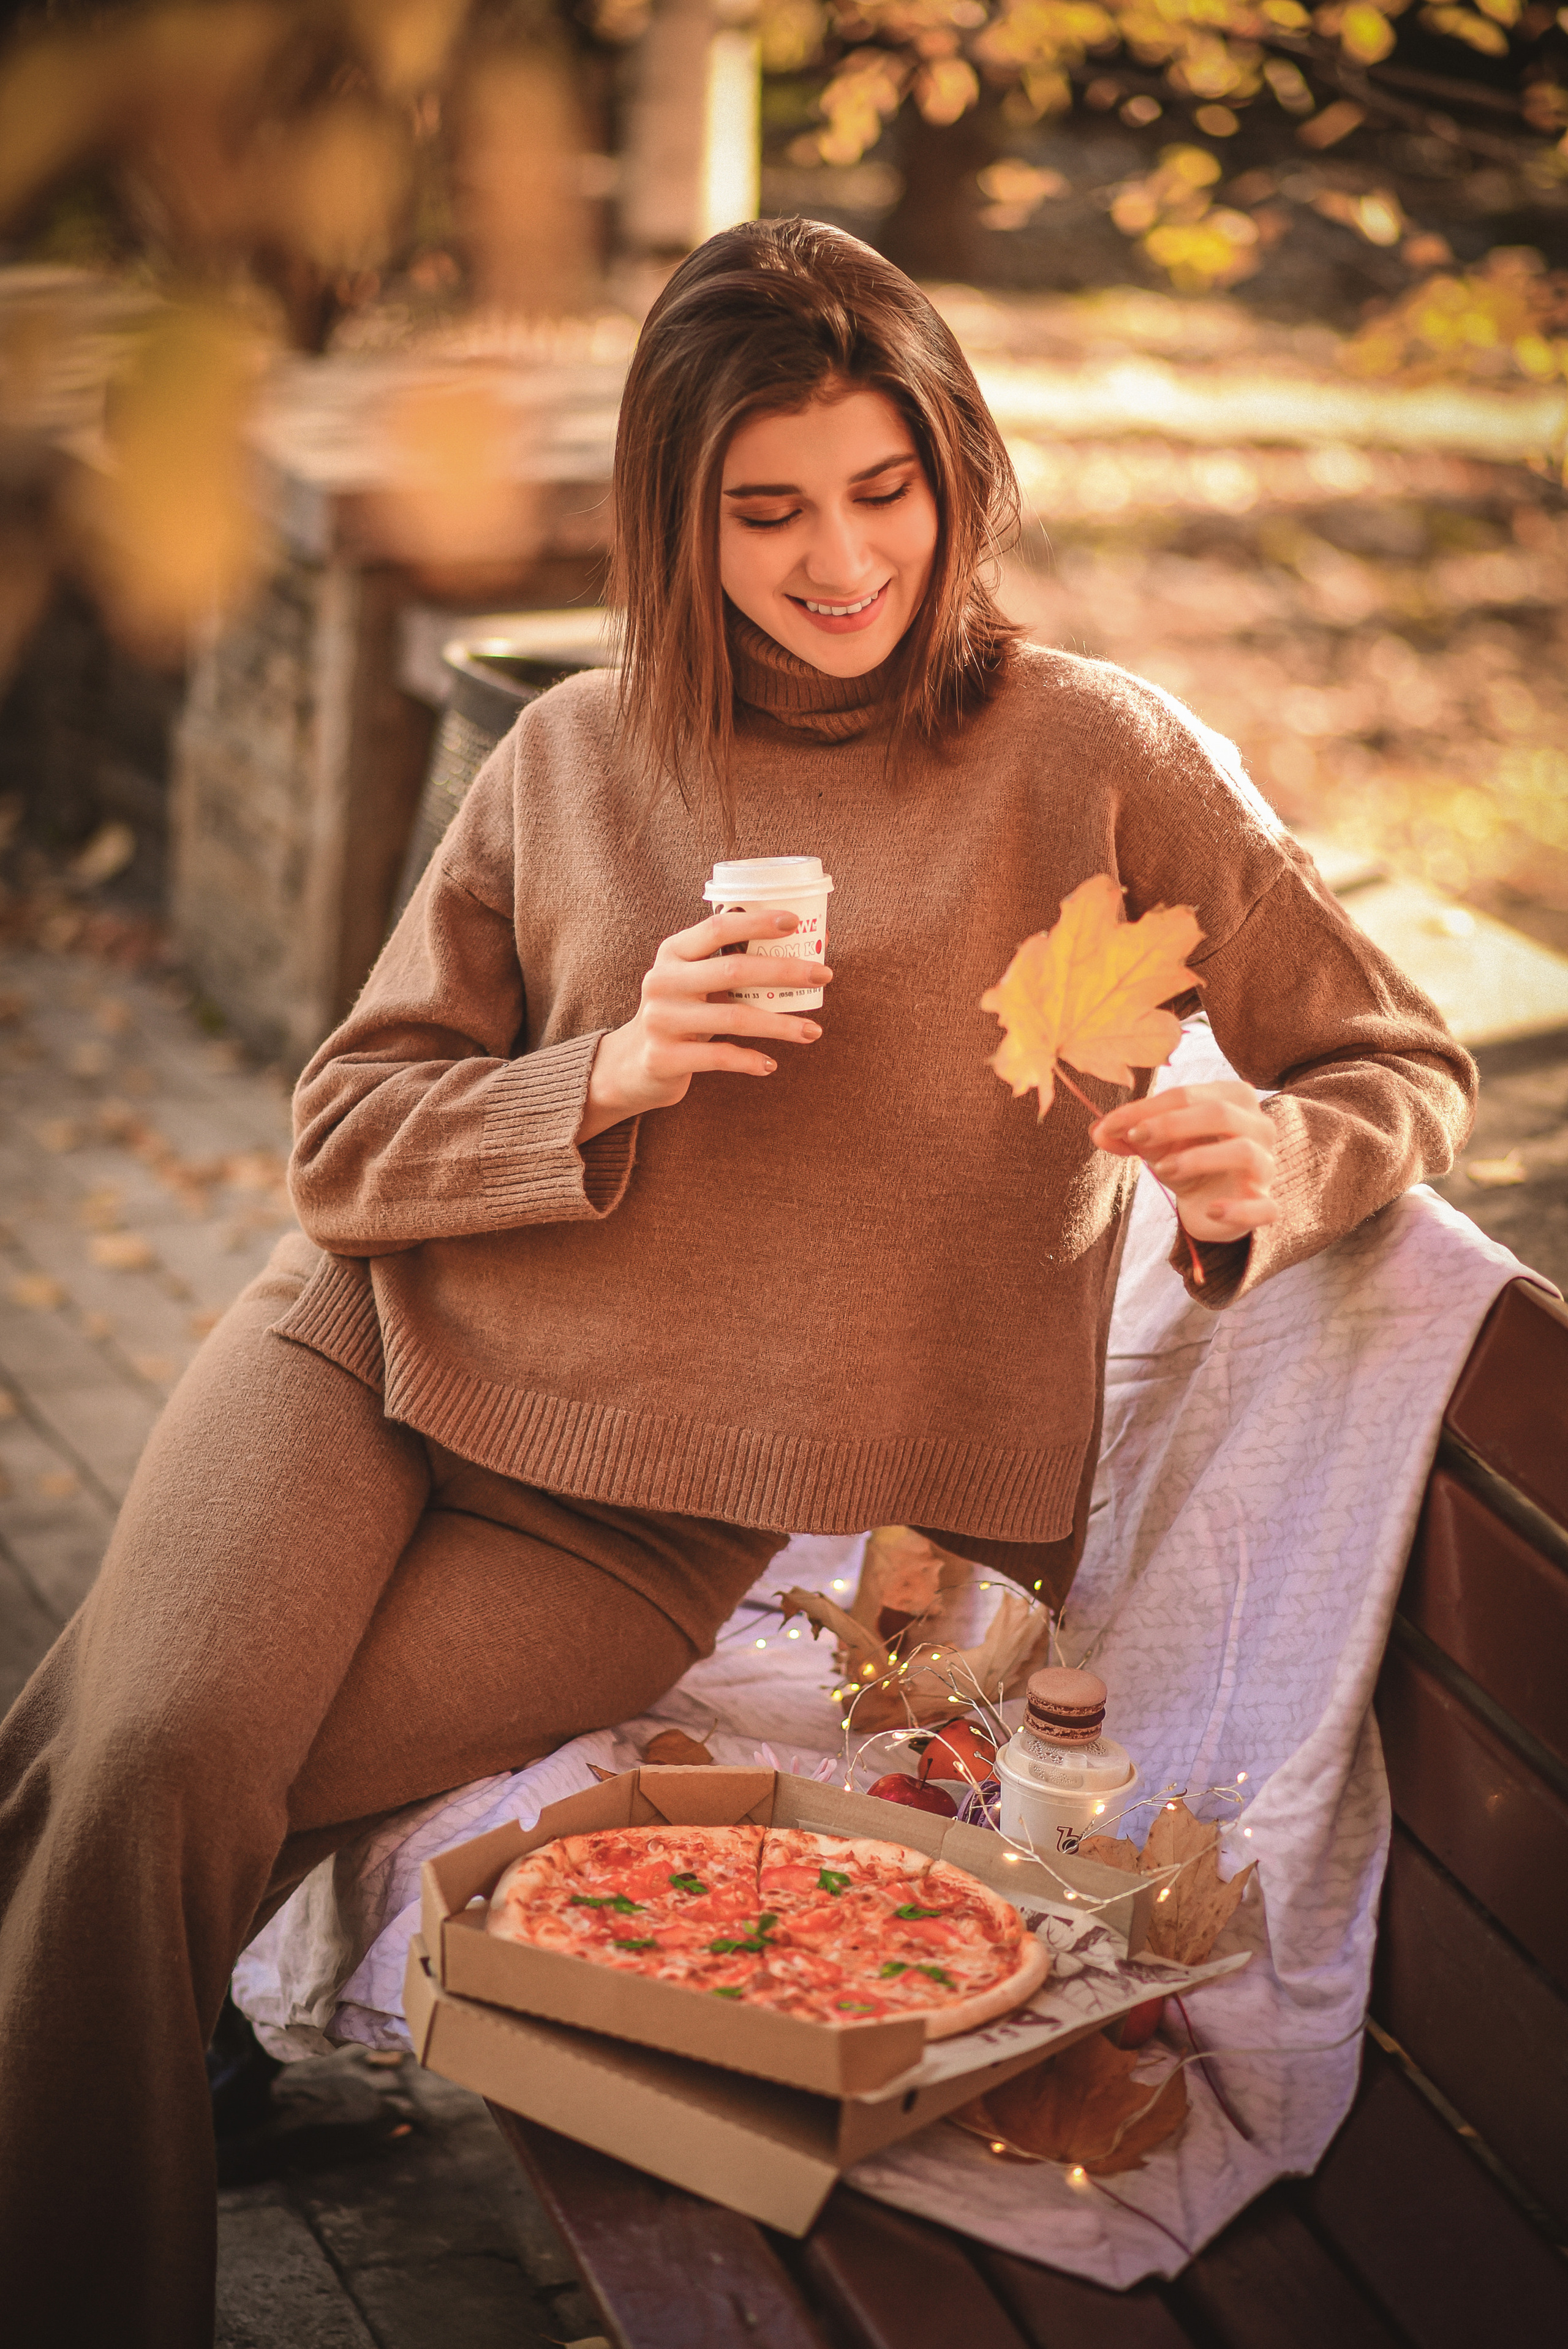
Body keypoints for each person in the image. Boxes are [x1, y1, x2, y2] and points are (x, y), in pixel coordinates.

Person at [0, 217, 1472, 2347]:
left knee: (116, 1790)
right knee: (149, 1773)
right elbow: (340, 1136)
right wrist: (607, 1070)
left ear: (958, 472)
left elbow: (1397, 1057)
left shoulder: (1099, 753)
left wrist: (1277, 1161)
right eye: (765, 508)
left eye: (886, 489)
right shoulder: (575, 755)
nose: (841, 559)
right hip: (369, 1359)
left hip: (641, 1519)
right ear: (675, 520)